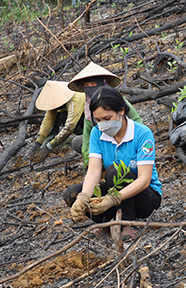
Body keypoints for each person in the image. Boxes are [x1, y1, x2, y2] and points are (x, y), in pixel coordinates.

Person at [63, 87, 162, 242]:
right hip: (114, 190)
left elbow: (144, 179)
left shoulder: (142, 134)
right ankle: (105, 222)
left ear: (121, 111)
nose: (102, 125)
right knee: (72, 193)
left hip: (145, 198)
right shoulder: (97, 133)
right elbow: (94, 172)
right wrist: (83, 198)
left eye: (107, 118)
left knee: (115, 171)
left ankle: (128, 223)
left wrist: (113, 199)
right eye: (98, 120)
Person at [67, 61, 142, 166]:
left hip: (124, 140)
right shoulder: (89, 107)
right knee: (77, 142)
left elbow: (137, 120)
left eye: (94, 84)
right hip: (103, 141)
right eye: (86, 85)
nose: (90, 88)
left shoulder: (116, 100)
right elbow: (87, 136)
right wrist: (87, 162)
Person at [30, 80, 86, 163]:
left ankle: (84, 137)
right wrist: (38, 143)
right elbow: (47, 121)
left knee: (64, 117)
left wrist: (49, 146)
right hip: (78, 120)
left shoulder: (74, 99)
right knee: (59, 116)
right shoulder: (54, 102)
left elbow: (69, 127)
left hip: (89, 121)